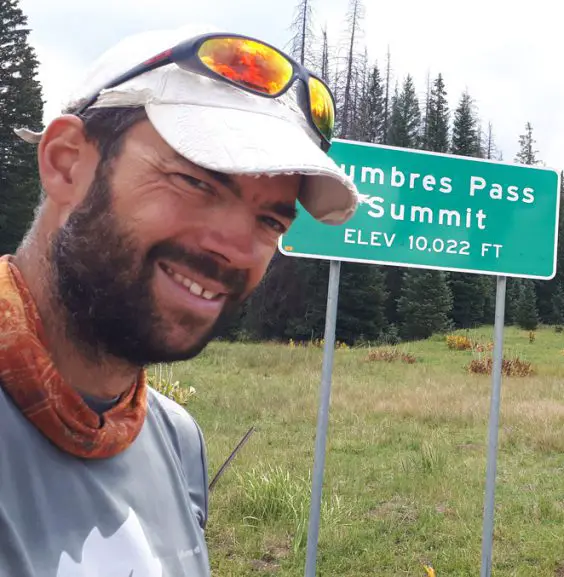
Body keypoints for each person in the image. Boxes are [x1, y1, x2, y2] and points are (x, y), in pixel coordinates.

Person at [0, 23, 359, 577]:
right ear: (67, 162)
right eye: (197, 183)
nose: (237, 249)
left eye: (269, 220)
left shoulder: (175, 439)